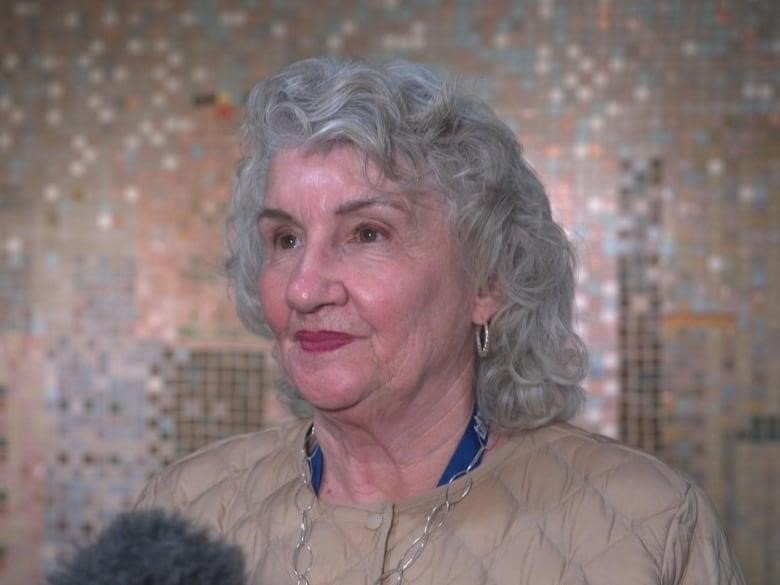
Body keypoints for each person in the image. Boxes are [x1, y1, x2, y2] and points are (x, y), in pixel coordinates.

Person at [136, 57, 744, 584]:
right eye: (285, 238)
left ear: (488, 280)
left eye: (367, 233)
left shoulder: (647, 526)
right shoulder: (183, 512)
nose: (303, 287)